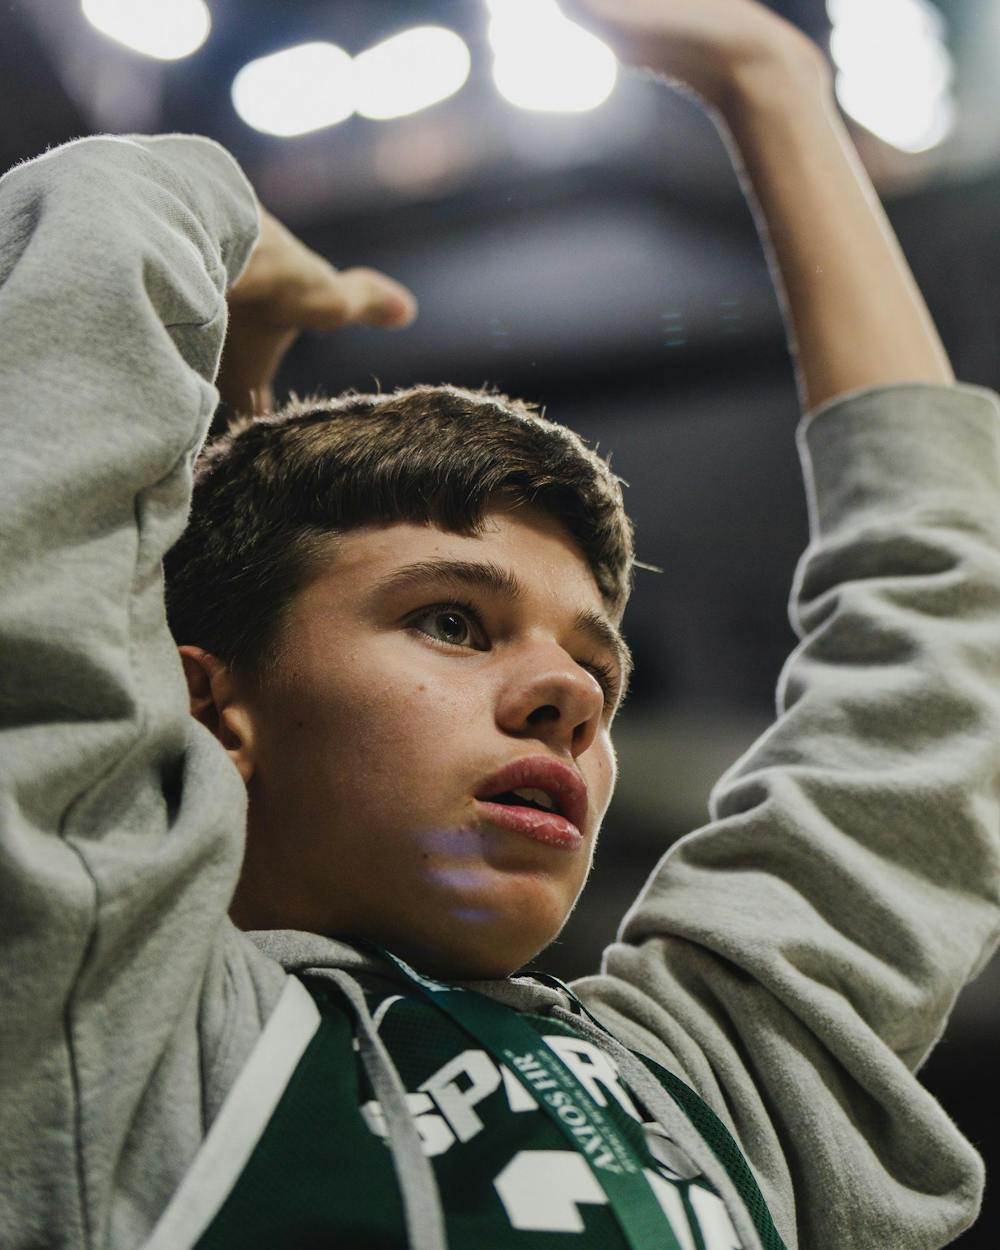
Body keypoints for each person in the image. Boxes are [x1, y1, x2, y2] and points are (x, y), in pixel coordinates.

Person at [1, 0, 998, 1247]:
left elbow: (934, 643)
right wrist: (202, 212)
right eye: (453, 621)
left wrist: (773, 84)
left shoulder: (716, 1085)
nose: (570, 696)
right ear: (206, 706)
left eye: (597, 664)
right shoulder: (105, 1020)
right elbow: (39, 499)